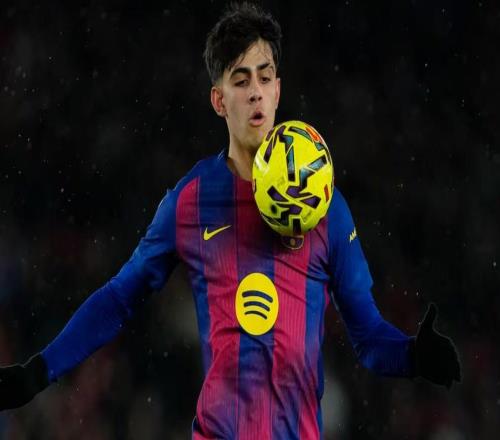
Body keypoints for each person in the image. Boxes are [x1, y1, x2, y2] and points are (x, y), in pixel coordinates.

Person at [0, 3, 461, 439]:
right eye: (241, 80)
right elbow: (120, 297)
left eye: (264, 76)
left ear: (278, 90)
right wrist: (38, 371)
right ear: (219, 100)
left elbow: (368, 337)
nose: (255, 91)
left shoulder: (324, 204)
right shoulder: (192, 201)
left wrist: (413, 356)